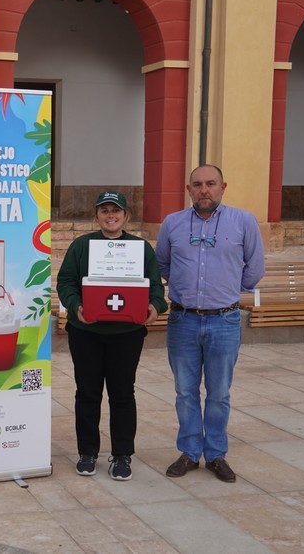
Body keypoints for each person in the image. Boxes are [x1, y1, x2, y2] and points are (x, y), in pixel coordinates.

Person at [155, 164, 265, 483]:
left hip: (224, 320)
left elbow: (255, 267)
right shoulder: (173, 223)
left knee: (218, 393)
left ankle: (216, 454)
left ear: (223, 187)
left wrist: (228, 288)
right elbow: (162, 262)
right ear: (189, 189)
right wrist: (184, 286)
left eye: (211, 184)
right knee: (185, 391)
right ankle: (190, 452)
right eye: (198, 184)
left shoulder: (243, 221)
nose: (204, 190)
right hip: (183, 321)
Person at [56, 191, 168, 481]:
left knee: (122, 394)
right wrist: (76, 306)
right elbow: (66, 281)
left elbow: (156, 287)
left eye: (115, 211)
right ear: (96, 216)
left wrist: (154, 308)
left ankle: (122, 455)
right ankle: (87, 452)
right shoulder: (81, 246)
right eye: (104, 211)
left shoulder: (141, 248)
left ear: (125, 216)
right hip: (86, 333)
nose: (110, 216)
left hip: (126, 334)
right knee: (87, 393)